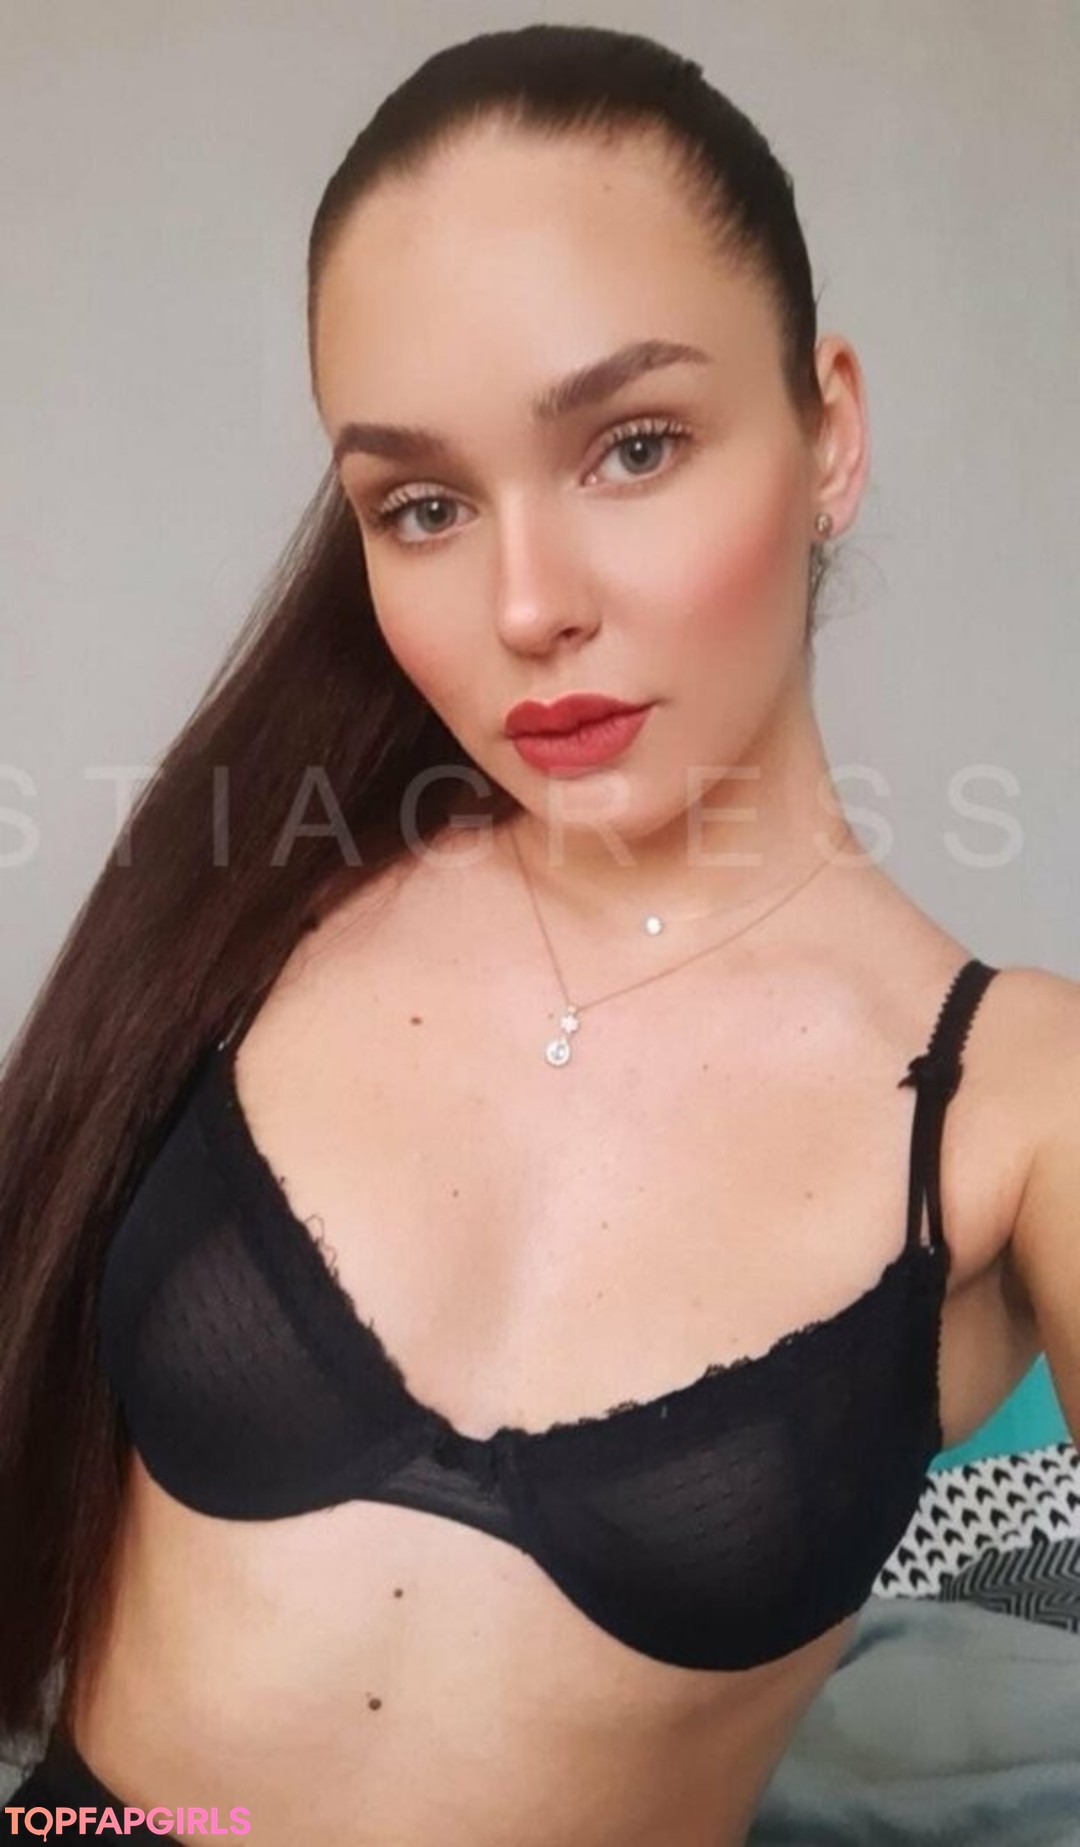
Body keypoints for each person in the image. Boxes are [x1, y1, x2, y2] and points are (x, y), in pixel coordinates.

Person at [2, 21, 1076, 1847]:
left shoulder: (1014, 1103)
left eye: (633, 448)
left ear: (829, 435)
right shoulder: (268, 903)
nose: (525, 605)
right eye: (422, 507)